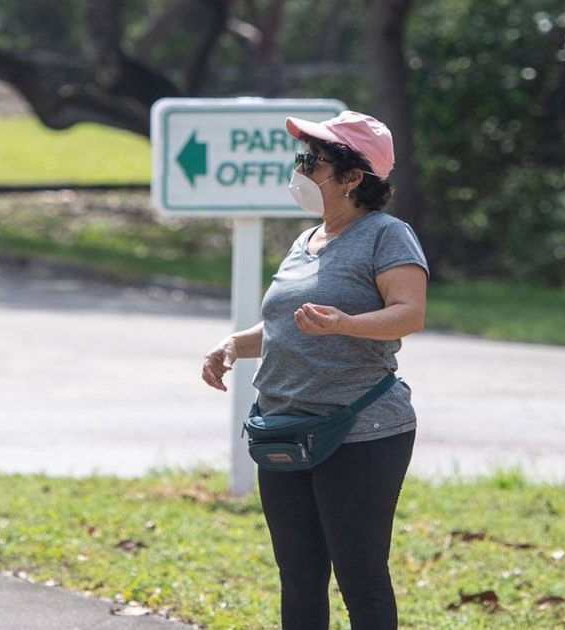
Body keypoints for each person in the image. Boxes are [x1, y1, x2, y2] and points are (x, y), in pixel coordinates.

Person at [201, 111, 428, 629]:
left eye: (312, 161)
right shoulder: (304, 242)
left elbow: (408, 313)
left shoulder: (386, 235)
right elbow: (291, 324)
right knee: (299, 577)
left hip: (359, 431)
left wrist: (347, 323)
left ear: (353, 179)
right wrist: (234, 345)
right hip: (284, 427)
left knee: (360, 578)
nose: (300, 170)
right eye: (300, 157)